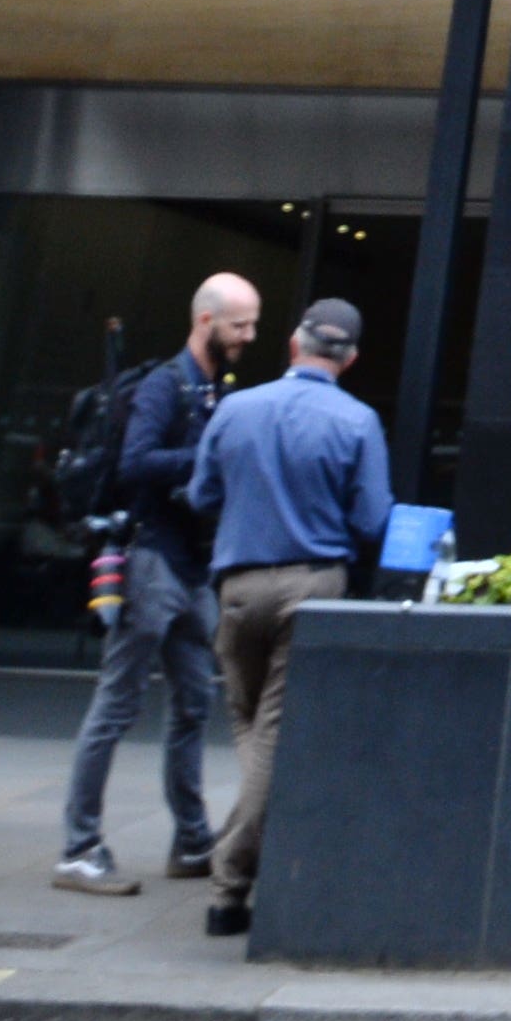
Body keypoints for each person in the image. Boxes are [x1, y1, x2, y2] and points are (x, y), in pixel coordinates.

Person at [183, 295, 391, 940]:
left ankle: (231, 883)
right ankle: (231, 879)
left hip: (239, 586)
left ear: (294, 344)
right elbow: (372, 521)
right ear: (351, 358)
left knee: (250, 725)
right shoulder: (358, 422)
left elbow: (200, 494)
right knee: (269, 734)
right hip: (314, 586)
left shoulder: (237, 408)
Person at [58, 271, 259, 894]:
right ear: (206, 321)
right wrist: (210, 458)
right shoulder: (163, 386)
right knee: (116, 705)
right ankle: (79, 847)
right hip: (150, 561)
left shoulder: (213, 388)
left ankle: (192, 840)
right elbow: (135, 462)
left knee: (194, 706)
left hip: (192, 566)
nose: (249, 336)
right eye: (239, 325)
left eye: (252, 325)